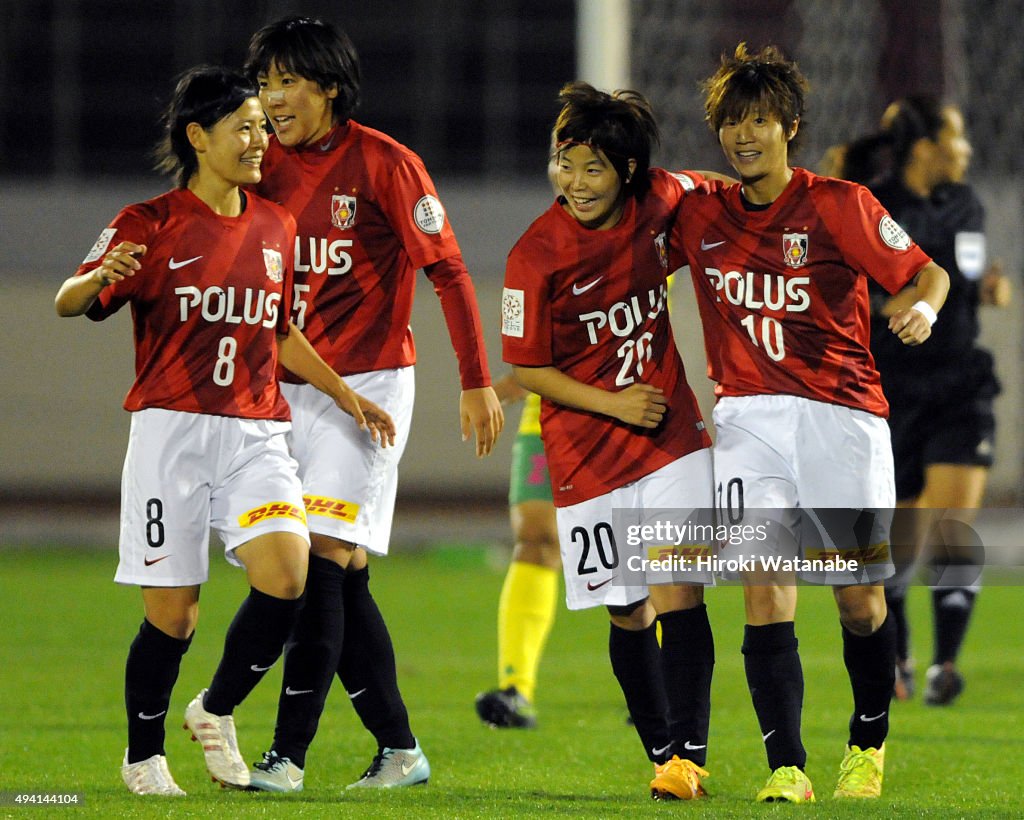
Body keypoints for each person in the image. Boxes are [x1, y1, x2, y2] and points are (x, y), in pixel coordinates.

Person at [54, 65, 395, 797]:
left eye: (262, 127)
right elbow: (69, 300)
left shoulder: (276, 224)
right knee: (173, 618)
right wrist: (93, 280)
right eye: (243, 126)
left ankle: (214, 708)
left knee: (290, 576)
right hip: (171, 435)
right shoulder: (149, 221)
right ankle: (143, 756)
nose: (259, 139)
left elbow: (281, 330)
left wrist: (345, 396)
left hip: (255, 431)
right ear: (198, 137)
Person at [671, 44, 950, 802]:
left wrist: (921, 307)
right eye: (731, 122)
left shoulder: (838, 205)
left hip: (842, 417)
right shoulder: (699, 213)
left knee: (858, 601)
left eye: (759, 120)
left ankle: (866, 744)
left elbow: (927, 271)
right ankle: (786, 767)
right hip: (747, 418)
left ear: (789, 126)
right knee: (765, 586)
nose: (744, 136)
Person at [240, 16, 504, 792]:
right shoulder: (257, 165)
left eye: (287, 81)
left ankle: (287, 758)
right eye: (264, 83)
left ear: (327, 85)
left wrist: (476, 378)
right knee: (339, 579)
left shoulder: (388, 164)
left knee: (319, 565)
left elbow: (449, 272)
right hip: (283, 387)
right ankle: (400, 750)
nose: (272, 98)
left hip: (371, 392)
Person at [502, 81, 718, 801]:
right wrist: (613, 403)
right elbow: (527, 366)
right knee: (627, 608)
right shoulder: (534, 254)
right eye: (566, 164)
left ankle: (688, 755)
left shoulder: (662, 200)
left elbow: (718, 187)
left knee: (677, 586)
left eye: (593, 168)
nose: (575, 182)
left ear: (628, 171)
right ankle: (660, 748)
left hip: (670, 435)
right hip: (586, 450)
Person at [847, 96, 1011, 705]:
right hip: (891, 389)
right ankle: (899, 658)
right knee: (898, 534)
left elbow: (965, 279)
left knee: (954, 520)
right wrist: (874, 307)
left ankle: (945, 664)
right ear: (925, 148)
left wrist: (990, 291)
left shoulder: (966, 202)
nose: (965, 150)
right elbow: (841, 288)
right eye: (957, 138)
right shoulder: (873, 204)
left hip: (961, 383)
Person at [474, 381, 558, 729]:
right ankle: (516, 689)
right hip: (547, 414)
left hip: (624, 407)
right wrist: (485, 391)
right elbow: (527, 350)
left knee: (639, 545)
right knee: (535, 541)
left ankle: (663, 691)